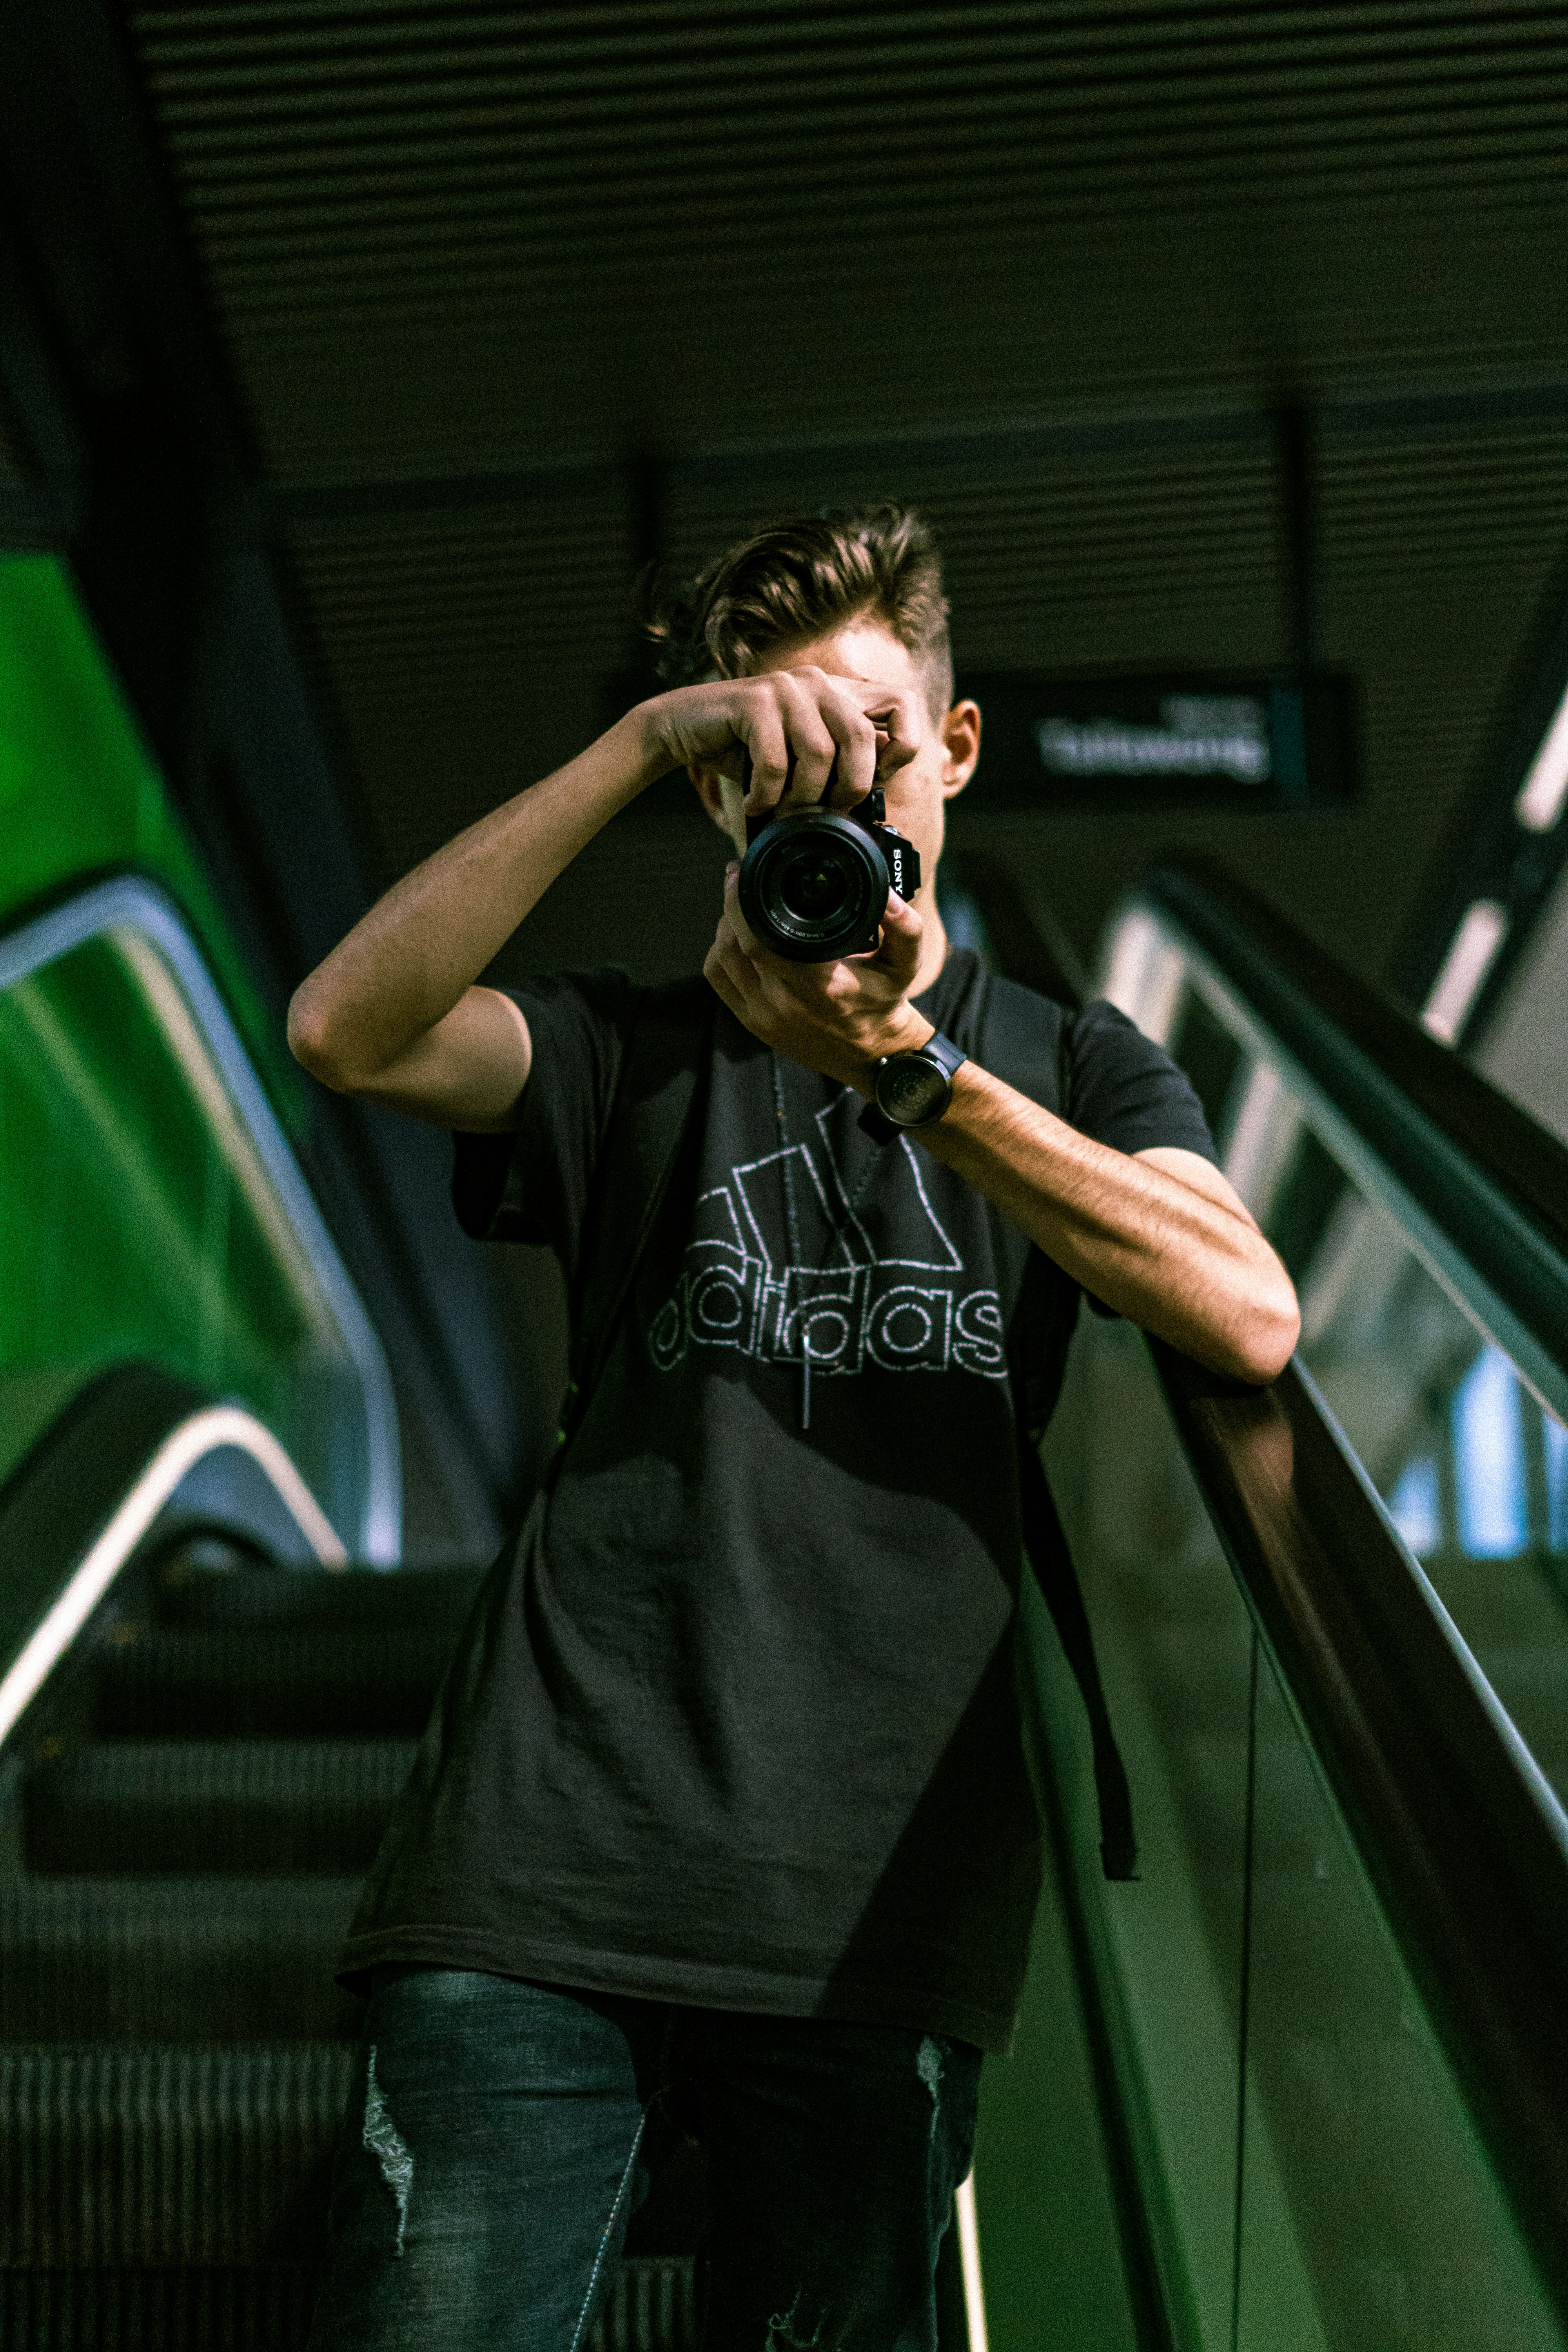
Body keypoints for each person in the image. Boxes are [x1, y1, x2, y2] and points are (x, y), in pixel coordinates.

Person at [289, 505, 1299, 2351]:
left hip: (875, 1917)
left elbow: (1243, 1304)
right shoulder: (625, 1050)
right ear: (720, 798)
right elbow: (346, 1034)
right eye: (780, 758)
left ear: (958, 749)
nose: (843, 795)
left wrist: (912, 1078)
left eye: (880, 744)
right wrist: (638, 742)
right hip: (535, 1875)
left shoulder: (1067, 1066)